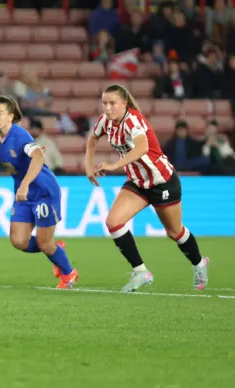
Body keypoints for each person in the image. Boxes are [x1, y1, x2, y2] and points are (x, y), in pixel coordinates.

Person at [85, 84, 210, 292]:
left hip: (162, 181)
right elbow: (92, 139)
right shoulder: (105, 121)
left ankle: (199, 264)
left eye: (112, 103)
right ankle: (141, 272)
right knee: (113, 222)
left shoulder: (133, 120)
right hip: (137, 182)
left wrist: (115, 165)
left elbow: (142, 147)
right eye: (104, 103)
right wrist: (89, 166)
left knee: (174, 232)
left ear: (124, 104)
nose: (107, 108)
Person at [0, 96, 78, 289]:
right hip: (24, 194)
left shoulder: (20, 135)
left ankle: (69, 274)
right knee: (19, 241)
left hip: (43, 191)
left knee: (46, 244)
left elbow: (38, 156)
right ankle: (56, 250)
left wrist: (25, 184)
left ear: (10, 117)